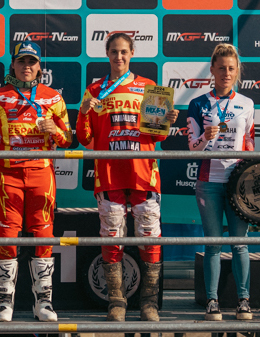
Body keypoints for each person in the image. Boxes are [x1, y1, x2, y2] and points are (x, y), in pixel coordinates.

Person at [0, 41, 73, 322]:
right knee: (6, 235)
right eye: (22, 62)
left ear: (39, 67)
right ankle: (3, 303)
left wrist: (55, 130)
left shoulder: (53, 98)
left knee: (43, 235)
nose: (27, 67)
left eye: (32, 62)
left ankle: (44, 303)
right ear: (13, 65)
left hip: (41, 173)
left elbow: (69, 139)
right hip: (7, 175)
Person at [77, 32, 179, 322]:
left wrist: (167, 124)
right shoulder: (95, 90)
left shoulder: (149, 88)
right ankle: (117, 302)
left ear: (132, 53)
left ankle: (149, 304)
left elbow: (155, 135)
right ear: (106, 54)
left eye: (123, 52)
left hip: (143, 175)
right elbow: (85, 138)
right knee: (111, 239)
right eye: (113, 52)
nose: (118, 57)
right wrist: (84, 112)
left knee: (150, 238)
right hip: (109, 176)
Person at [187, 44, 254, 321]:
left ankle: (243, 300)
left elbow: (249, 143)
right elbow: (192, 148)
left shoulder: (247, 103)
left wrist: (251, 175)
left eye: (231, 68)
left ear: (237, 71)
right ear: (211, 70)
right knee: (213, 243)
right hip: (209, 181)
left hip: (238, 183)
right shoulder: (198, 103)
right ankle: (212, 302)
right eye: (221, 68)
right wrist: (205, 137)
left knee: (240, 243)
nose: (226, 73)